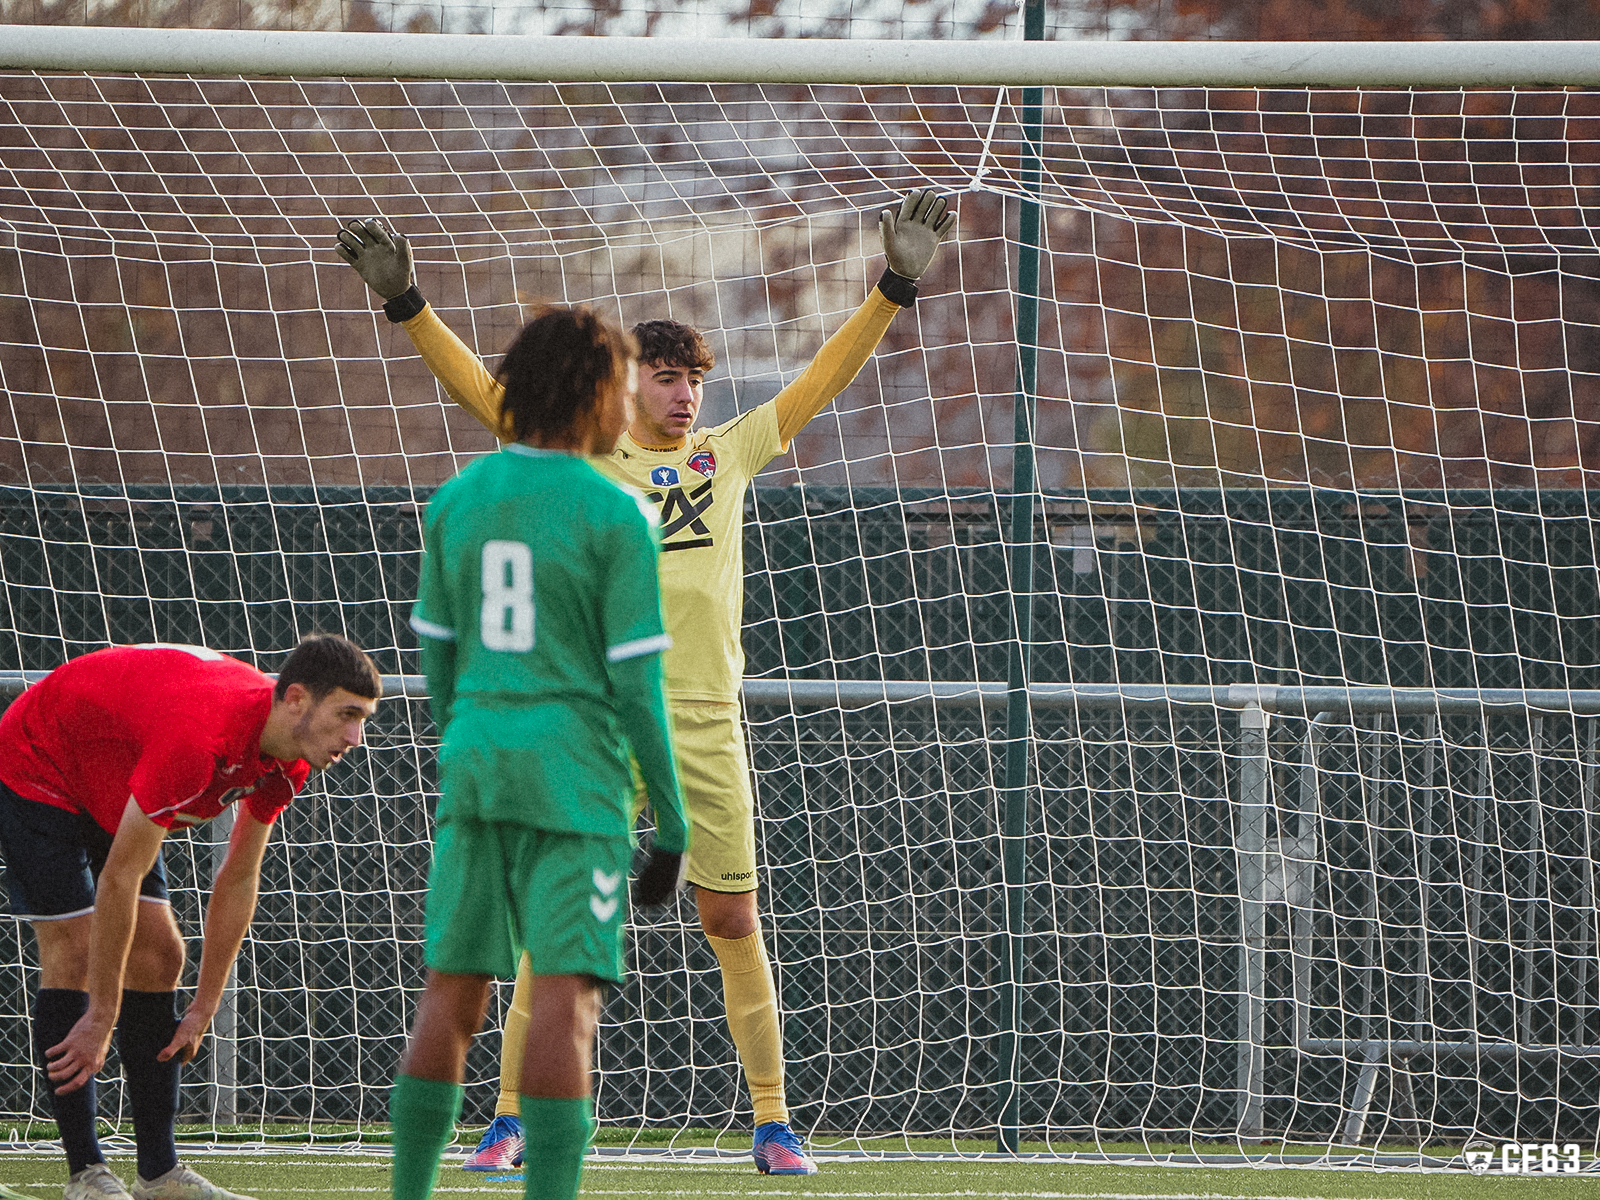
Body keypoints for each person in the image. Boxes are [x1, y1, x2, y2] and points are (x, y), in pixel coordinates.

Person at [338, 188, 953, 1176]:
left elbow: (823, 381)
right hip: (595, 726)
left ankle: (772, 1119)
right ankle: (506, 1116)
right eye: (663, 379)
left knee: (732, 917)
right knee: (554, 920)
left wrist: (889, 286)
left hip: (705, 725)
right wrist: (408, 304)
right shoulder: (588, 457)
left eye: (690, 381)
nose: (681, 396)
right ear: (627, 387)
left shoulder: (731, 452)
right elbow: (491, 400)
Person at [393, 303, 687, 1200]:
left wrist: (474, 742)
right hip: (577, 781)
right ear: (596, 390)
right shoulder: (617, 512)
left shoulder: (458, 499)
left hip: (477, 765)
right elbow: (638, 688)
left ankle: (408, 1193)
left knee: (453, 990)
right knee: (565, 997)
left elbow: (439, 664)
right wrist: (671, 821)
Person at [0, 635, 382, 1200]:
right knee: (76, 953)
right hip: (40, 758)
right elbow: (120, 880)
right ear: (296, 700)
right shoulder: (200, 740)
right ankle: (86, 1174)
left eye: (365, 720)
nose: (356, 738)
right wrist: (101, 1014)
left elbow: (239, 877)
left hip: (116, 769)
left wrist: (204, 1007)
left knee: (160, 957)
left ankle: (158, 1173)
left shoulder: (287, 761)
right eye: (347, 715)